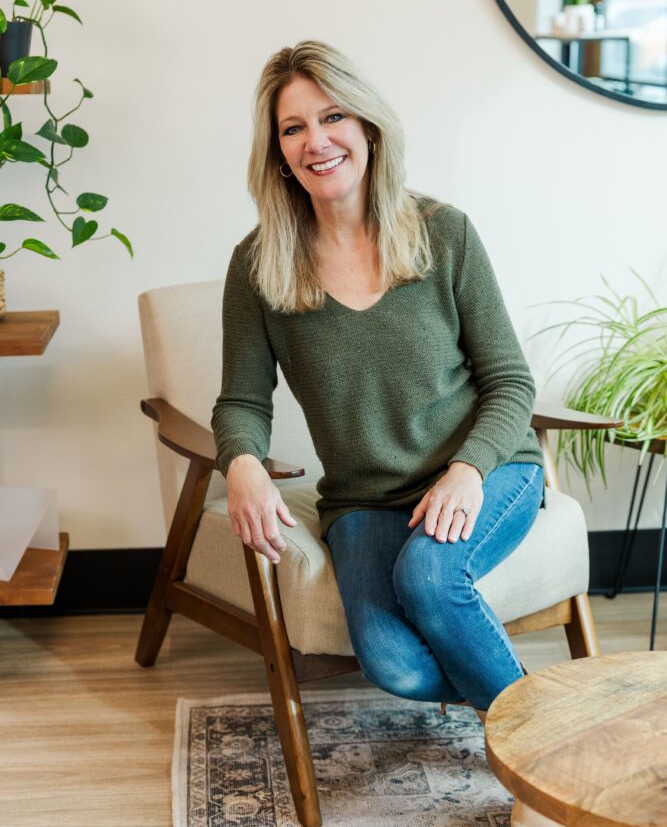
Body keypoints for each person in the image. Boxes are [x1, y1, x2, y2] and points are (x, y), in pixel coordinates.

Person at [211, 40, 545, 717]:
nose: (316, 141)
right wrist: (240, 463)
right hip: (363, 500)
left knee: (429, 576)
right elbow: (242, 400)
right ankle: (551, 708)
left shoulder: (442, 233)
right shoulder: (258, 265)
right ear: (277, 152)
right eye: (292, 128)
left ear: (367, 127)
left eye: (332, 117)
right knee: (395, 667)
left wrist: (466, 470)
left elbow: (510, 382)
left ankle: (543, 757)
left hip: (486, 470)